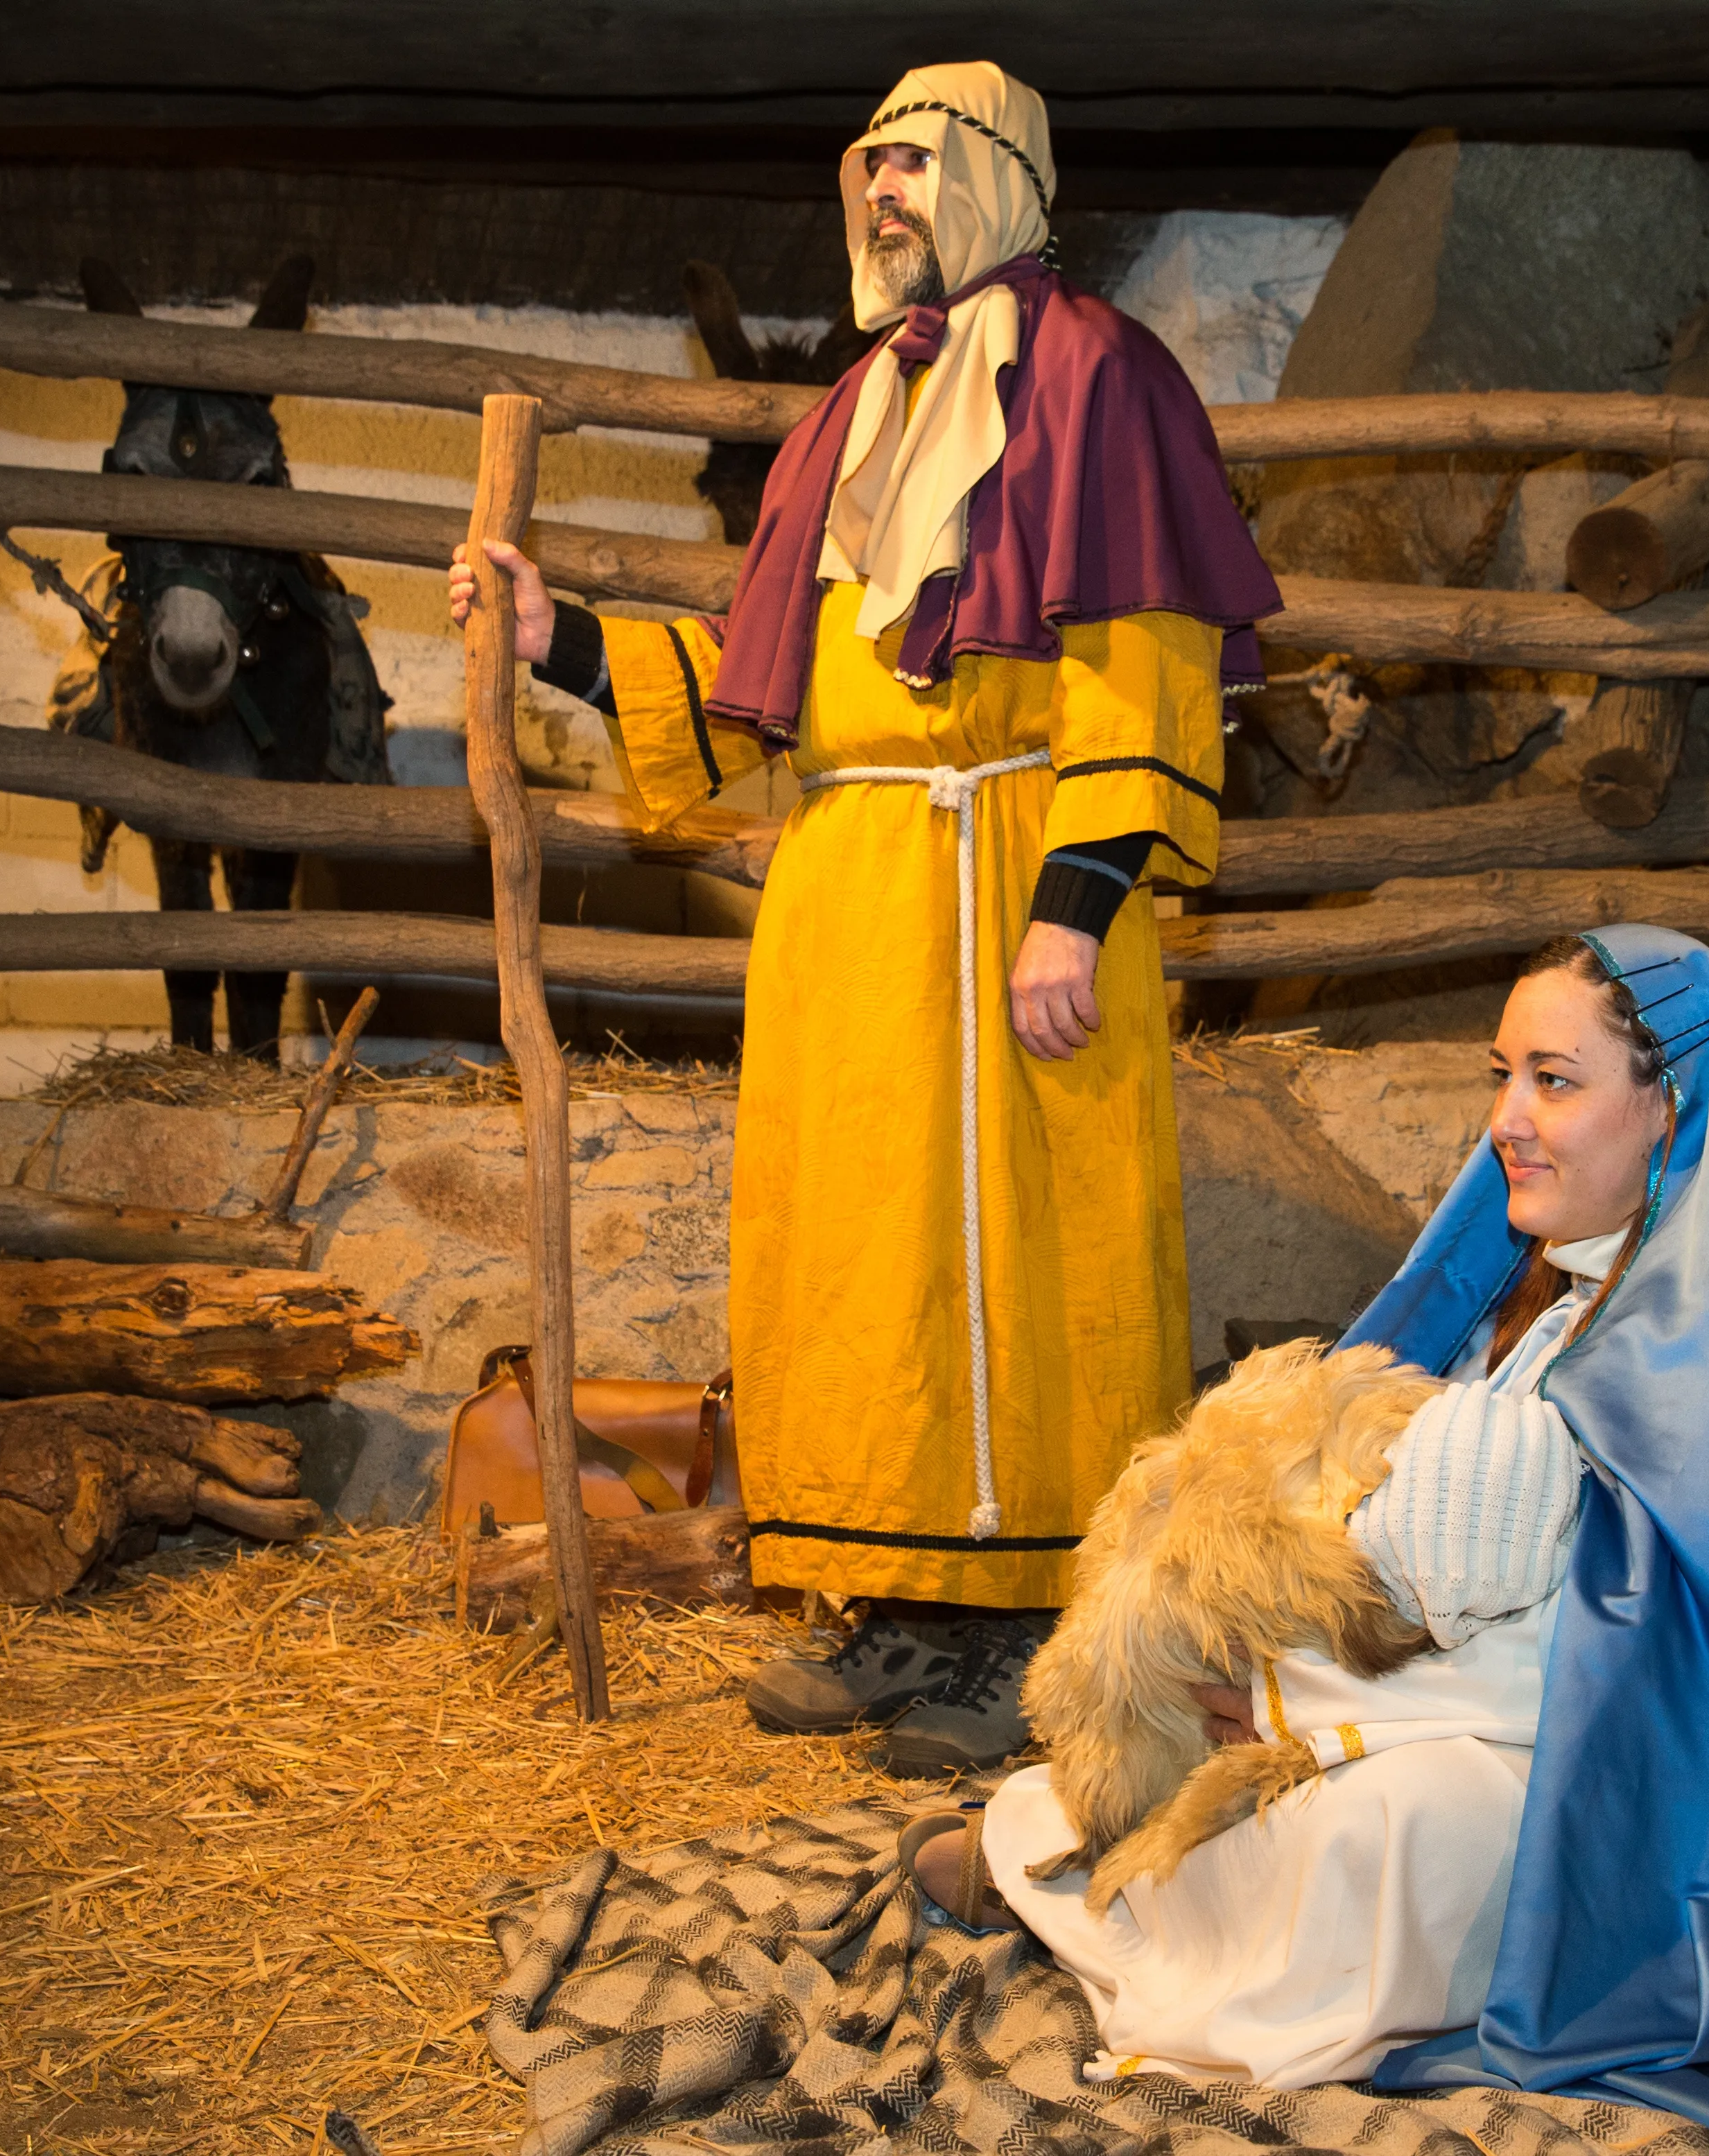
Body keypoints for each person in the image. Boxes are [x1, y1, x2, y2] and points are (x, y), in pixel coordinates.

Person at [906, 924, 1709, 2156]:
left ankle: (1093, 1901)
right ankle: (1081, 1869)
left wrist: (1290, 1697)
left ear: (1671, 1105)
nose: (1506, 1116)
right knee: (1310, 1786)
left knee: (1392, 1830)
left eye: (1554, 1078)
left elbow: (1655, 1671)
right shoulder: (1543, 1306)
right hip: (1491, 1720)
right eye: (1502, 1072)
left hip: (1674, 1810)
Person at [444, 60, 1280, 1774]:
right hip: (855, 901)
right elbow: (777, 707)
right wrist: (562, 641)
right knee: (867, 1266)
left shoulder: (1100, 382)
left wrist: (1077, 899)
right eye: (867, 166)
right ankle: (897, 1605)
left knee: (1020, 1259)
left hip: (1012, 882)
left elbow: (1146, 657)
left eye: (912, 161)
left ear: (997, 175)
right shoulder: (847, 416)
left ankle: (1029, 1626)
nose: (880, 192)